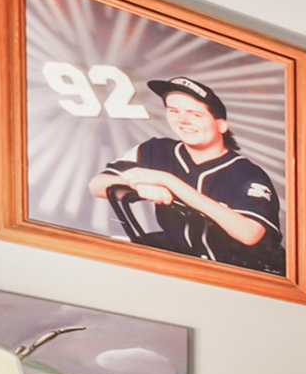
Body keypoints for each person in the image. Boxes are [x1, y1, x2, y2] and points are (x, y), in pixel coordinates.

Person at [87, 75, 283, 275]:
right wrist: (137, 186)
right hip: (183, 260)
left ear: (221, 125)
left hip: (245, 273)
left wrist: (168, 181)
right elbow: (98, 184)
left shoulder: (245, 173)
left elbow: (249, 234)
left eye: (195, 115)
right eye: (174, 111)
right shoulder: (156, 149)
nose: (182, 121)